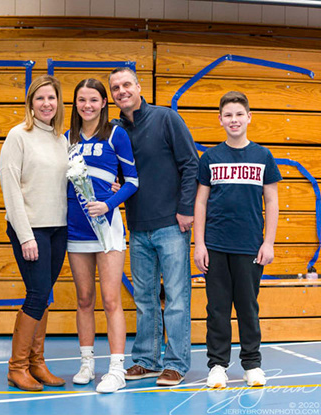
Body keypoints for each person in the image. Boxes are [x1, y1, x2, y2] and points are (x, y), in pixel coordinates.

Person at [109, 67, 200, 387]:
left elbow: (192, 164)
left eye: (126, 85)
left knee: (176, 297)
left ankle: (176, 363)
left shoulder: (166, 118)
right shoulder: (116, 131)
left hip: (172, 225)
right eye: (115, 88)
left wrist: (186, 210)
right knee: (145, 298)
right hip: (137, 225)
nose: (121, 91)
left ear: (138, 86)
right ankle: (147, 361)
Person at [196, 91, 278, 389]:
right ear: (220, 120)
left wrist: (268, 242)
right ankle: (217, 365)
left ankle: (252, 365)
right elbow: (201, 203)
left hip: (250, 247)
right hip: (216, 246)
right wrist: (200, 243)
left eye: (239, 114)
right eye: (228, 115)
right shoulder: (211, 157)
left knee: (247, 307)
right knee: (217, 308)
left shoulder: (263, 156)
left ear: (249, 117)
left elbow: (271, 202)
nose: (234, 120)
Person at [0, 76, 72, 392]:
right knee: (37, 294)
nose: (46, 104)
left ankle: (36, 363)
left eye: (51, 98)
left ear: (58, 103)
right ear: (31, 103)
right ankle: (17, 367)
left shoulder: (61, 140)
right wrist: (26, 235)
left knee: (43, 296)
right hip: (30, 230)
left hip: (58, 229)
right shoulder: (18, 136)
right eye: (40, 98)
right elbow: (11, 188)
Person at [64, 77, 137, 393]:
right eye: (82, 100)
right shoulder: (67, 138)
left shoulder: (116, 134)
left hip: (106, 229)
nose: (87, 105)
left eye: (93, 99)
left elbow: (132, 181)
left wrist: (107, 204)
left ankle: (117, 369)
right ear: (76, 104)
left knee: (110, 299)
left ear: (104, 102)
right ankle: (86, 363)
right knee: (83, 299)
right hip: (76, 230)